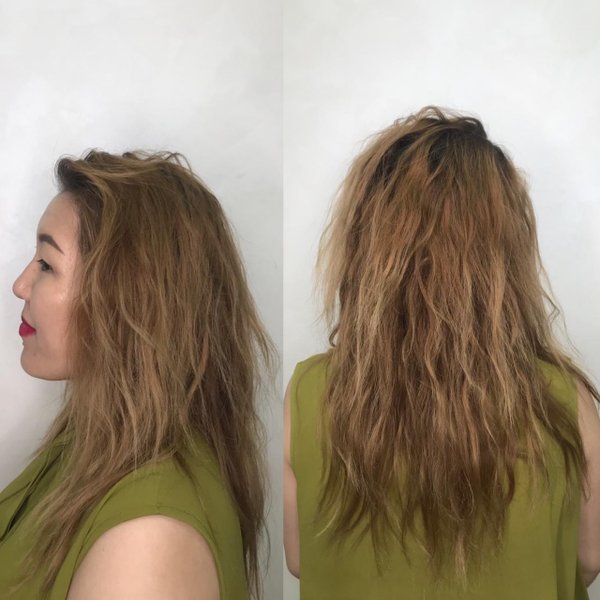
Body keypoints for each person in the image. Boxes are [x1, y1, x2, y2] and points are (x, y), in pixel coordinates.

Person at [283, 105, 600, 599]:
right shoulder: (565, 400)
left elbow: (301, 558)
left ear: (368, 244)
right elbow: (588, 558)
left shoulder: (309, 393)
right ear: (503, 252)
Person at [1, 149, 276, 599]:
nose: (20, 285)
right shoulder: (93, 441)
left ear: (129, 299)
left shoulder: (147, 541)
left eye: (47, 264)